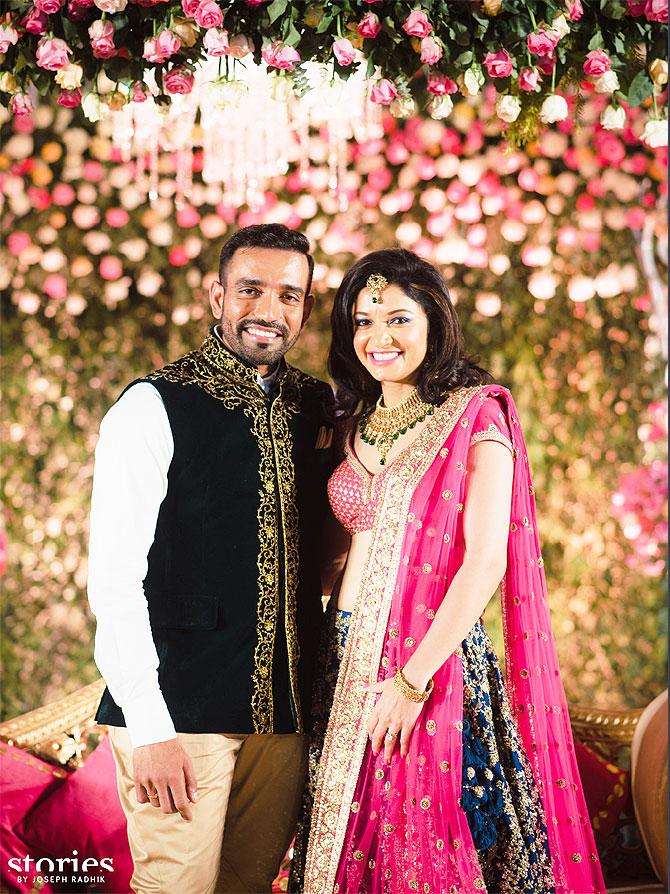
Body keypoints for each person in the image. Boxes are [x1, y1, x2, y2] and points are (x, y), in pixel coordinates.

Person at [296, 249, 605, 894]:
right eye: (363, 322)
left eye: (399, 319)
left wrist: (409, 683)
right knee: (337, 843)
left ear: (435, 322)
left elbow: (486, 560)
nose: (380, 338)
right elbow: (341, 555)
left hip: (428, 665)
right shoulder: (351, 424)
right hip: (342, 653)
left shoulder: (474, 417)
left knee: (422, 842)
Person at [87, 223, 338, 894]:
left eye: (289, 295)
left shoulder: (317, 406)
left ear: (305, 309)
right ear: (216, 296)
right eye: (250, 289)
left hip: (282, 721)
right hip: (180, 716)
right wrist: (150, 728)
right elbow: (113, 580)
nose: (268, 309)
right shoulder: (152, 406)